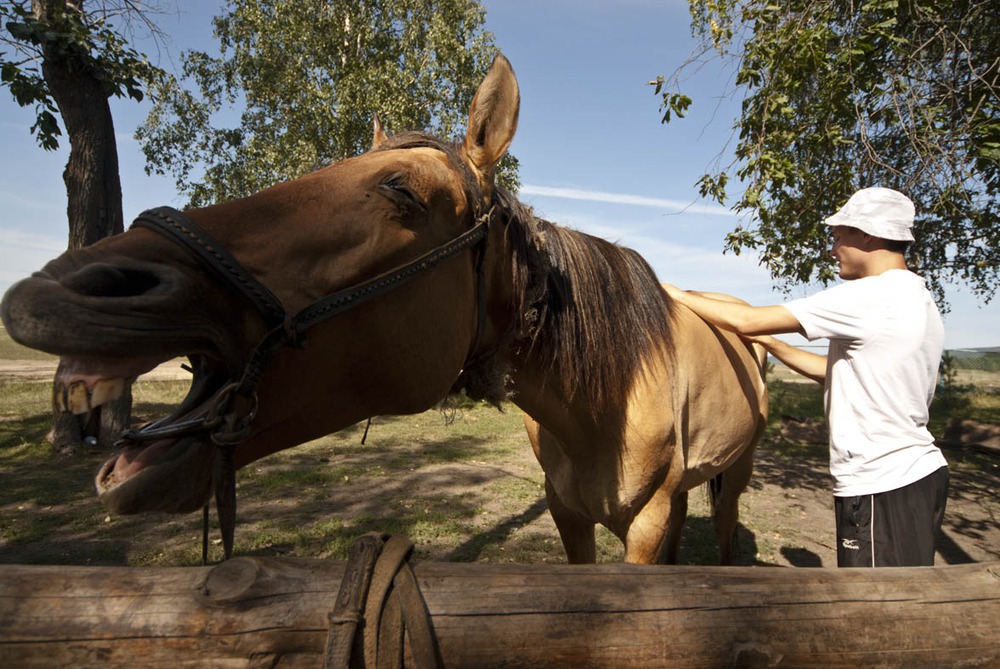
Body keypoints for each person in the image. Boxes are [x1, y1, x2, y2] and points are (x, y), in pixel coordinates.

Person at [664, 186, 949, 567]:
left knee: (876, 605)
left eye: (837, 237)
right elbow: (834, 374)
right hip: (914, 475)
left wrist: (674, 295)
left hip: (881, 481)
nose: (833, 250)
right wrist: (772, 345)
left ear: (866, 234)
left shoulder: (870, 296)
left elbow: (746, 318)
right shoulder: (915, 296)